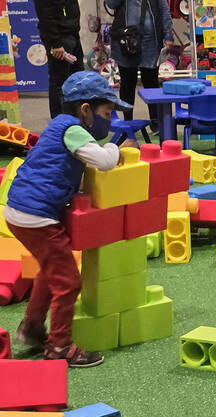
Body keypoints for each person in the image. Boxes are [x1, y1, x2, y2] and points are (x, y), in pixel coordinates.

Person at [4, 71, 137, 368]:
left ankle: (32, 327)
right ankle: (59, 347)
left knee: (51, 269)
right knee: (68, 282)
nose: (110, 120)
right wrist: (116, 148)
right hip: (35, 215)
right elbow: (103, 162)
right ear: (85, 109)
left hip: (21, 211)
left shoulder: (61, 126)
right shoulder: (72, 128)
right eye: (106, 112)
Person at [106, 0, 173, 133]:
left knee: (151, 82)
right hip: (124, 39)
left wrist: (168, 35)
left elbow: (164, 11)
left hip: (150, 41)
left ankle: (155, 123)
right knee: (127, 82)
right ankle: (128, 122)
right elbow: (111, 4)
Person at [34, 0, 85, 118]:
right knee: (59, 82)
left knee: (77, 78)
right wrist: (55, 42)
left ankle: (75, 119)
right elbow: (45, 14)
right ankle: (59, 121)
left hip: (73, 33)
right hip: (60, 37)